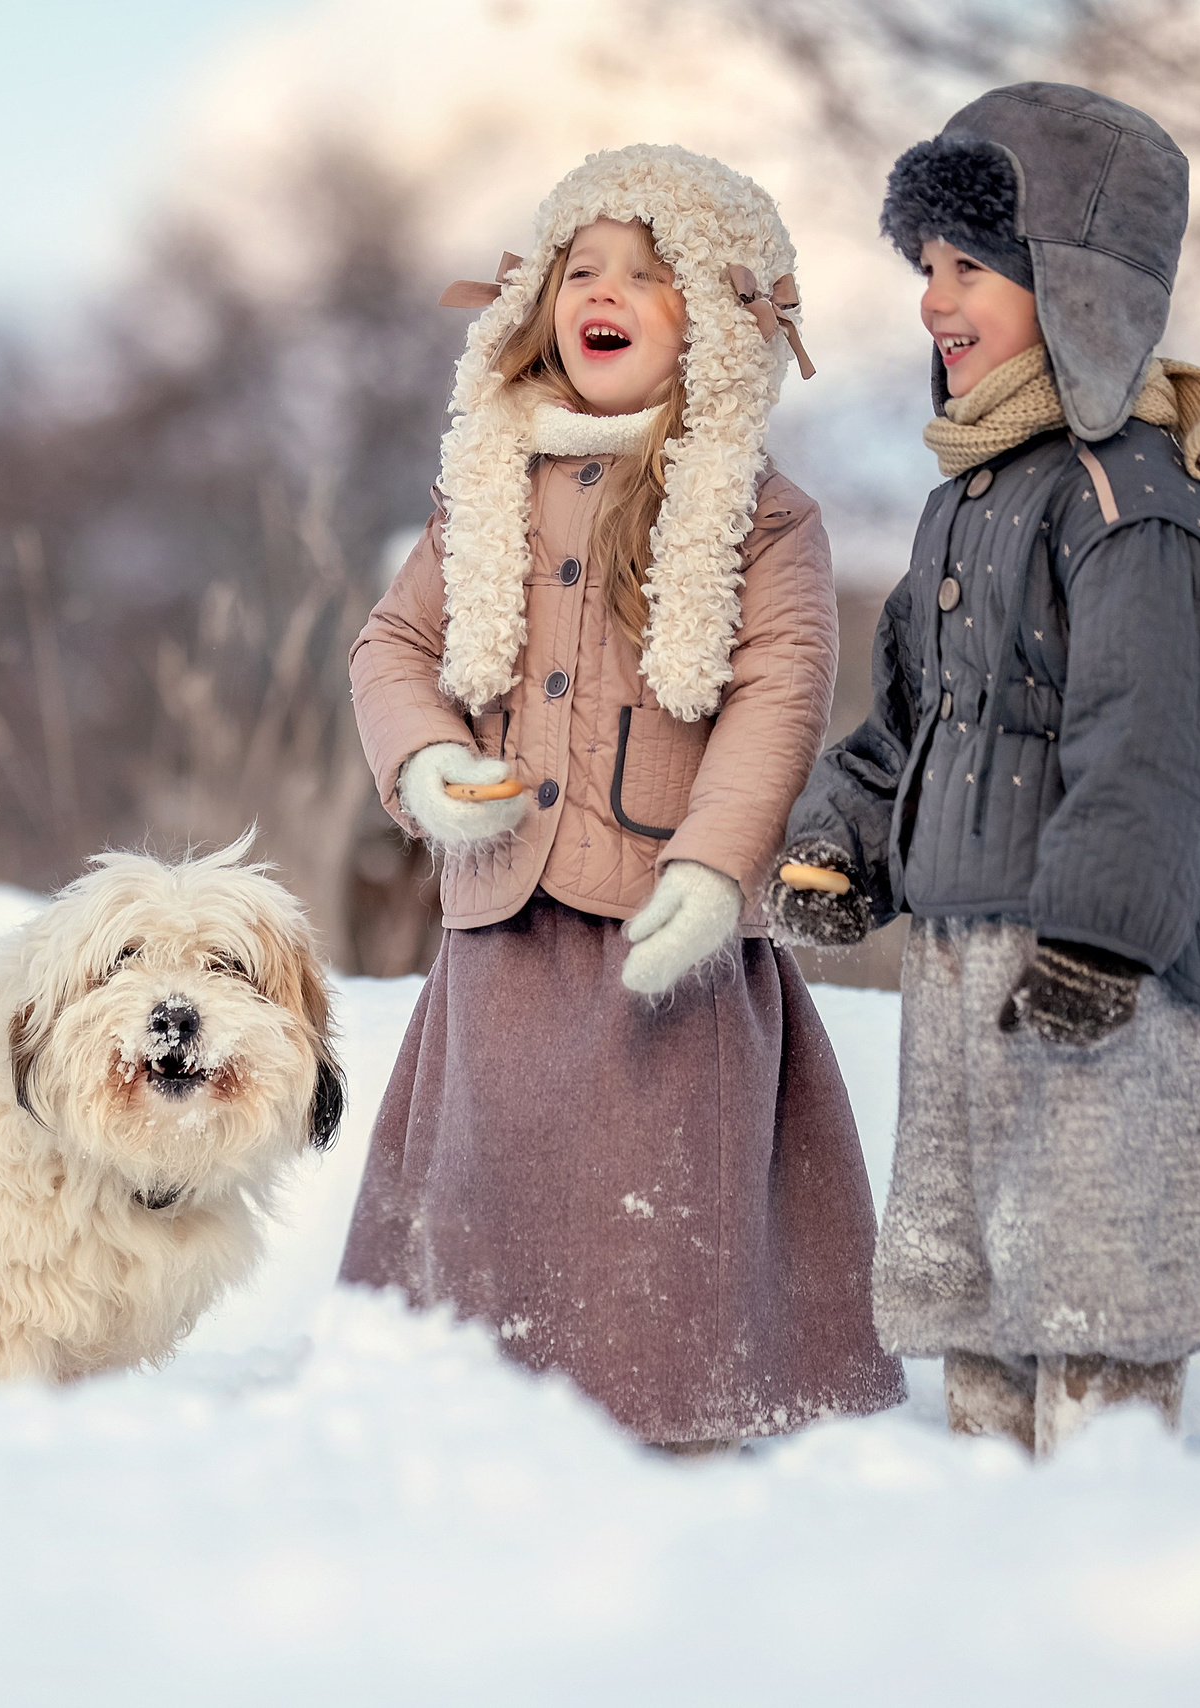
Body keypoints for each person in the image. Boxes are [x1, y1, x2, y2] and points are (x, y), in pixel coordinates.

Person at [338, 143, 906, 1451]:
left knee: (654, 1191)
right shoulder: (484, 488)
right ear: (534, 300)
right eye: (580, 266)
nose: (605, 287)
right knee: (495, 1191)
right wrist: (426, 761)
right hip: (502, 923)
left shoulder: (764, 515)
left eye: (648, 275)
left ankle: (678, 1428)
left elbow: (778, 693)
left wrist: (718, 867)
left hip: (666, 932)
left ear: (719, 317)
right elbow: (393, 649)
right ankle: (470, 1430)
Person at [769, 83, 1200, 1457]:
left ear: (1079, 292)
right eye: (925, 266)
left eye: (973, 267)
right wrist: (842, 840)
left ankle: (1112, 1526)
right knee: (986, 1277)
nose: (935, 299)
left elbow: (1152, 741)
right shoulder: (967, 500)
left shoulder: (1136, 503)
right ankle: (989, 1539)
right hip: (965, 965)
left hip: (1103, 969)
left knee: (1096, 1268)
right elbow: (913, 721)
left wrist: (1101, 940)